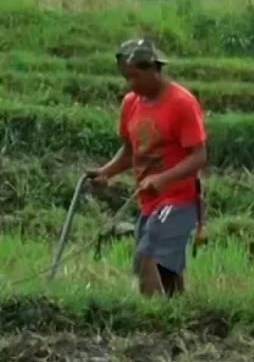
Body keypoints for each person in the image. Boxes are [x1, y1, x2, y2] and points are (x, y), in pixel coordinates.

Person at [88, 37, 208, 298]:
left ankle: (151, 319)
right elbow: (131, 149)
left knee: (148, 255)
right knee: (168, 268)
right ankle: (178, 314)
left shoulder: (181, 103)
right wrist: (106, 171)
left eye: (136, 77)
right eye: (126, 78)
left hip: (178, 198)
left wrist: (163, 179)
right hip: (149, 199)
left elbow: (199, 156)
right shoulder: (131, 103)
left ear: (154, 69)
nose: (131, 84)